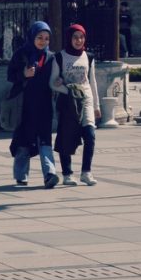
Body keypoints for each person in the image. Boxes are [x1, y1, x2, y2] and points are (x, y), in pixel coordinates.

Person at [6, 20, 59, 188]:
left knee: (45, 140)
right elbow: (10, 75)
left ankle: (50, 174)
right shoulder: (21, 54)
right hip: (25, 105)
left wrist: (58, 83)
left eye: (46, 38)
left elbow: (56, 78)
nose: (43, 41)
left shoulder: (51, 57)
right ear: (32, 37)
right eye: (39, 37)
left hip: (44, 105)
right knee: (23, 141)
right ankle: (21, 175)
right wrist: (24, 74)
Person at [51, 23, 101, 186]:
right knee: (66, 136)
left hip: (85, 100)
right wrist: (67, 89)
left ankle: (86, 172)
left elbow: (92, 81)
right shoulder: (59, 57)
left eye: (81, 37)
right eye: (75, 37)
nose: (78, 40)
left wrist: (96, 106)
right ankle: (67, 173)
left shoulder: (89, 57)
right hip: (68, 102)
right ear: (69, 38)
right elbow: (52, 83)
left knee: (90, 135)